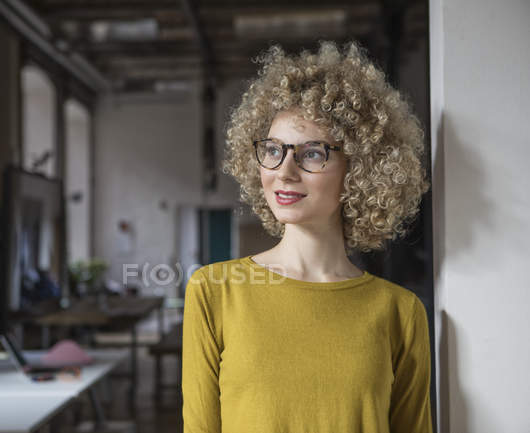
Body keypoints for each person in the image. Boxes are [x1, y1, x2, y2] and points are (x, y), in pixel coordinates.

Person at [181, 40, 433, 433]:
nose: (284, 171)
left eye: (312, 153)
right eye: (273, 150)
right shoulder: (214, 291)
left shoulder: (400, 312)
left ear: (360, 168)